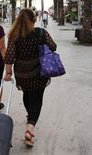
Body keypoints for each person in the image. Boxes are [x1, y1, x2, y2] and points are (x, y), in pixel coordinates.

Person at [4, 8, 57, 147]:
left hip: (22, 73)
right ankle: (30, 129)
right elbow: (53, 46)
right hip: (39, 72)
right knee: (37, 99)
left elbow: (9, 57)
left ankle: (30, 117)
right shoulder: (40, 33)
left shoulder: (14, 35)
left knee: (27, 95)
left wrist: (8, 73)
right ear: (34, 20)